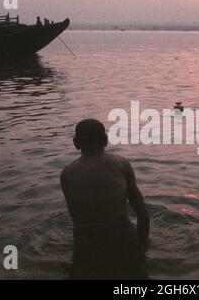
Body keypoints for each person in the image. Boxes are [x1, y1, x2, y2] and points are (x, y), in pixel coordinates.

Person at [60, 119, 150, 279]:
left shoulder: (67, 174)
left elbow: (77, 219)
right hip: (123, 240)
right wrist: (142, 248)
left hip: (87, 245)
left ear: (76, 143)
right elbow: (143, 214)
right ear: (106, 140)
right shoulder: (121, 164)